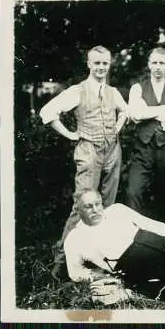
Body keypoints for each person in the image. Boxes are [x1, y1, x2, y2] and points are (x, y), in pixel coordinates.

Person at [39, 45, 129, 279]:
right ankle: (60, 266)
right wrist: (70, 134)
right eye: (96, 63)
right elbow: (47, 113)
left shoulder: (113, 92)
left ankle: (100, 258)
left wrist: (117, 129)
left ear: (109, 65)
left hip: (113, 152)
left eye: (105, 63)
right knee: (83, 207)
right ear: (88, 64)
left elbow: (125, 112)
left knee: (106, 208)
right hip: (88, 150)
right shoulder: (77, 91)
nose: (101, 67)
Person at [125, 47, 165, 224]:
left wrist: (148, 111)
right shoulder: (137, 88)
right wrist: (164, 110)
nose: (158, 67)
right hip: (143, 147)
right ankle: (133, 232)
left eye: (162, 63)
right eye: (154, 63)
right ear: (149, 65)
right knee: (133, 191)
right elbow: (135, 114)